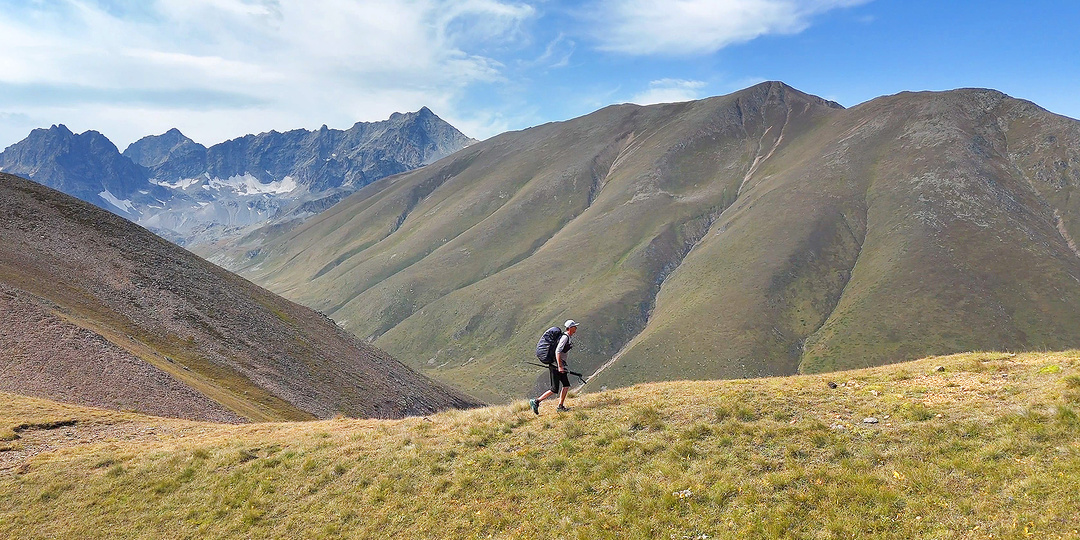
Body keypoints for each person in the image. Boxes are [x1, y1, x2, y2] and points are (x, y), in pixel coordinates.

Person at [530, 319, 578, 415]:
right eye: (574, 327)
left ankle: (560, 406)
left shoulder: (567, 337)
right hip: (556, 366)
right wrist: (560, 366)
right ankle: (536, 401)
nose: (576, 328)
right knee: (554, 389)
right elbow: (558, 351)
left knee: (566, 385)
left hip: (559, 365)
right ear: (570, 328)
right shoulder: (565, 338)